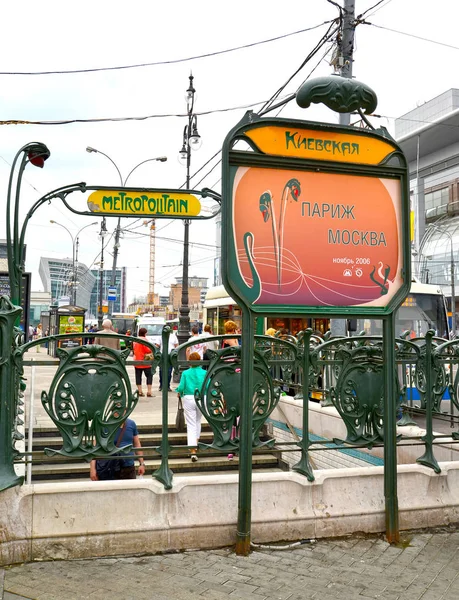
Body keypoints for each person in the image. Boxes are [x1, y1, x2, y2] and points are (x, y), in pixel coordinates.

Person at [175, 352, 206, 462]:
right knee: (198, 421)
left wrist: (178, 391)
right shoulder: (205, 372)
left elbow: (181, 386)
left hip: (189, 397)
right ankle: (196, 442)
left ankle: (192, 449)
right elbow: (208, 385)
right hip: (202, 398)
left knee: (191, 423)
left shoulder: (186, 373)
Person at [132, 327, 153, 397]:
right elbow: (147, 350)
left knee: (138, 376)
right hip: (145, 361)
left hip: (137, 361)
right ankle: (149, 391)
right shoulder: (145, 340)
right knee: (149, 376)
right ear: (145, 333)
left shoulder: (135, 340)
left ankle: (140, 391)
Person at [159, 327, 178, 392]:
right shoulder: (161, 336)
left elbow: (176, 345)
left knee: (169, 371)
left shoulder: (173, 336)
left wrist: (175, 352)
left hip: (170, 356)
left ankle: (167, 386)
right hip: (163, 355)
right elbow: (157, 345)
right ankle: (161, 385)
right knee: (162, 371)